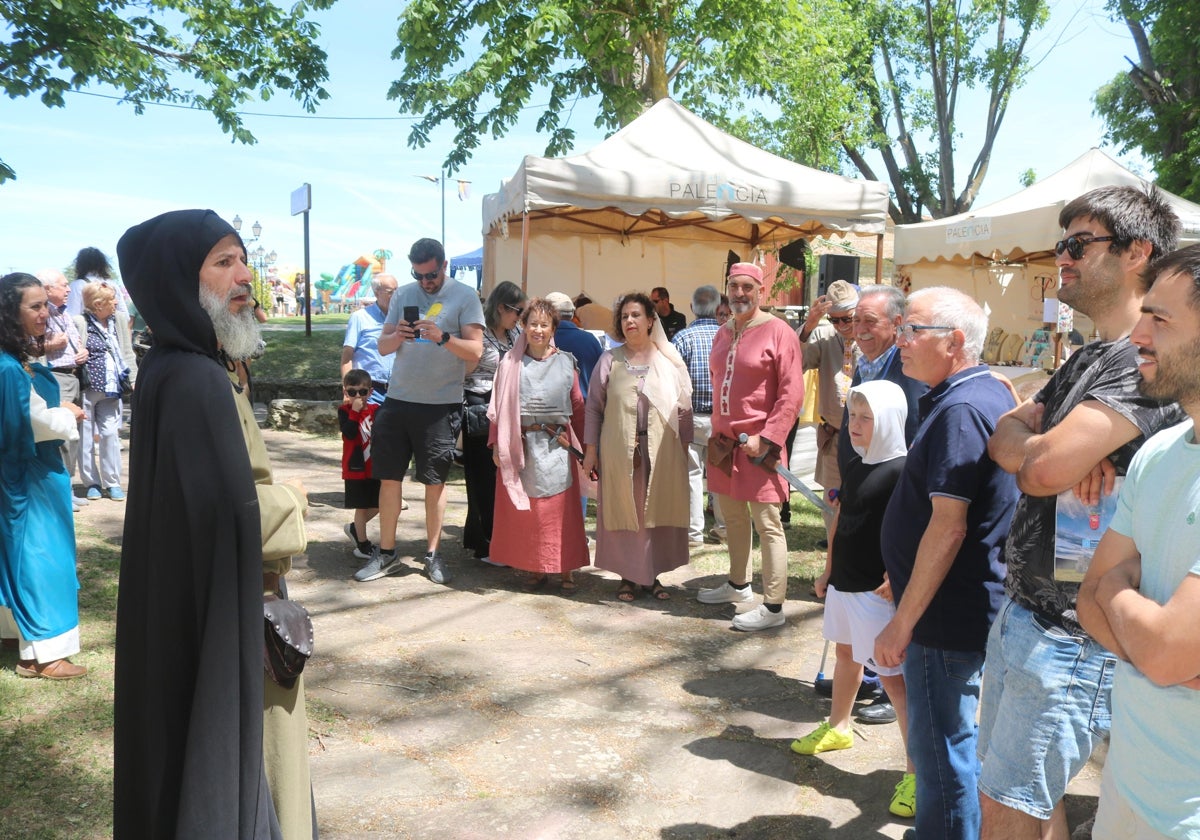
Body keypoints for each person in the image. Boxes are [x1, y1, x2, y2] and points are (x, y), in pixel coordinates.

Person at [979, 184, 1185, 840]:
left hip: (1073, 635)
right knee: (1020, 806)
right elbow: (1008, 432)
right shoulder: (1092, 356)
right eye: (1060, 242)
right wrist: (1034, 445)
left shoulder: (1138, 366)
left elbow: (1037, 462)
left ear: (1137, 253)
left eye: (1077, 243)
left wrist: (1037, 449)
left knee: (1008, 812)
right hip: (1035, 612)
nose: (1060, 256)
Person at [114, 209, 314, 839]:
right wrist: (295, 500)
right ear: (180, 280)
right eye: (222, 261)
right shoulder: (193, 380)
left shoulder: (186, 368)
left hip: (212, 613)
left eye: (243, 258)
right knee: (248, 778)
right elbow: (228, 521)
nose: (244, 275)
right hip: (229, 625)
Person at [873, 286, 1019, 840]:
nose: (900, 340)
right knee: (950, 744)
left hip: (944, 615)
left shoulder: (962, 407)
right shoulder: (975, 394)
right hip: (949, 602)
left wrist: (903, 621)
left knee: (940, 752)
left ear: (955, 342)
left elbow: (950, 523)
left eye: (912, 330)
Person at [1077, 243, 1200, 840]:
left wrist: (1120, 591)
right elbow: (1086, 599)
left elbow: (1162, 650)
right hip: (1126, 790)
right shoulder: (1159, 452)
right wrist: (1157, 650)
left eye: (1161, 319)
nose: (1137, 336)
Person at [793, 380, 915, 820]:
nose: (856, 426)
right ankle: (838, 725)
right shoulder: (856, 461)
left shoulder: (905, 470)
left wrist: (898, 577)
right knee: (846, 654)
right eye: (853, 416)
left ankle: (916, 771)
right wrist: (829, 567)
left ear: (889, 421)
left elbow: (916, 530)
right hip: (846, 581)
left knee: (895, 681)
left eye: (867, 418)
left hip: (876, 593)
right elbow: (841, 514)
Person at [354, 237, 484, 586]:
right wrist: (398, 334)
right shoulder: (403, 294)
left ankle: (432, 555)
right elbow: (382, 347)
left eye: (431, 275)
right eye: (419, 275)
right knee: (388, 479)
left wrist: (443, 338)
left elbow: (475, 351)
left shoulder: (465, 296)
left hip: (441, 405)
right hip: (398, 400)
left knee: (434, 483)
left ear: (443, 266)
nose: (425, 282)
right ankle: (386, 554)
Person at [697, 263, 803, 630]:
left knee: (768, 524)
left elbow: (792, 394)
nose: (739, 293)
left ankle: (773, 607)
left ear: (760, 291)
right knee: (733, 519)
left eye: (747, 287)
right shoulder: (722, 332)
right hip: (725, 446)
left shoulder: (779, 332)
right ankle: (738, 585)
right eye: (733, 286)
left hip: (760, 447)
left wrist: (769, 436)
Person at [0, 272, 87, 680]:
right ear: (9, 312)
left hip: (29, 472)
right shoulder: (8, 369)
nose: (45, 312)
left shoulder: (13, 360)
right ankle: (46, 655)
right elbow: (27, 422)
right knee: (42, 559)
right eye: (34, 306)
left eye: (44, 304)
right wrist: (66, 415)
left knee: (23, 557)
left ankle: (24, 645)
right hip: (28, 474)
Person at [582, 292, 692, 601]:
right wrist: (591, 451)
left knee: (654, 513)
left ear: (649, 320)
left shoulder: (669, 359)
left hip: (662, 451)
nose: (629, 321)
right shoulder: (610, 360)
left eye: (635, 315)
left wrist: (684, 448)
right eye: (624, 317)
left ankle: (652, 574)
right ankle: (627, 576)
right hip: (620, 452)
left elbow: (684, 407)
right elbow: (594, 408)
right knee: (624, 512)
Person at [488, 298, 590, 592]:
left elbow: (578, 405)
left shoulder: (566, 361)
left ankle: (566, 568)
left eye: (544, 324)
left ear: (553, 328)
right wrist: (496, 443)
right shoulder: (510, 363)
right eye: (533, 323)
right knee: (531, 513)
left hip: (557, 445)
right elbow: (498, 406)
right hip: (521, 444)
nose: (538, 329)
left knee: (561, 513)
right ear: (524, 325)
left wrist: (587, 449)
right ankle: (535, 567)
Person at [463, 281, 526, 565]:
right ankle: (485, 542)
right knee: (482, 479)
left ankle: (495, 537)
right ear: (501, 307)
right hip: (480, 407)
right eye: (518, 311)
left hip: (506, 409)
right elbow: (463, 369)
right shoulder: (480, 333)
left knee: (503, 478)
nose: (520, 317)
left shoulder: (514, 334)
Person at [796, 279, 861, 537]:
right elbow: (793, 361)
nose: (842, 326)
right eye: (835, 320)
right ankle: (834, 565)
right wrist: (810, 324)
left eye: (848, 319)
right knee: (832, 503)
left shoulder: (871, 338)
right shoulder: (824, 336)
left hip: (868, 439)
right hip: (833, 435)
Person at [671, 284, 725, 545]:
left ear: (691, 308)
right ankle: (724, 527)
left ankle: (694, 532)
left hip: (691, 415)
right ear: (718, 309)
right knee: (720, 472)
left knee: (692, 474)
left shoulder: (681, 338)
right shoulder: (729, 336)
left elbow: (671, 380)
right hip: (721, 418)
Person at [78, 281, 137, 501]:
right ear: (97, 303)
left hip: (112, 386)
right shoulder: (80, 322)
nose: (115, 302)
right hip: (88, 386)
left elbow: (126, 350)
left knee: (110, 433)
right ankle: (92, 482)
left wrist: (134, 377)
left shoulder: (119, 320)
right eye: (111, 298)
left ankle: (112, 482)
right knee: (85, 435)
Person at [37, 269, 89, 510]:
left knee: (74, 433)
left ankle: (67, 485)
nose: (69, 290)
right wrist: (51, 344)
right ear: (48, 289)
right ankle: (61, 491)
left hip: (73, 375)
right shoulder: (41, 314)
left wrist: (83, 352)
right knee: (61, 434)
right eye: (63, 285)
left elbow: (74, 342)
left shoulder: (65, 313)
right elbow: (29, 346)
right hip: (56, 376)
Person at [339, 368, 381, 559]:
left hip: (375, 468)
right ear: (345, 392)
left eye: (362, 392)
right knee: (361, 506)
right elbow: (348, 433)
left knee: (381, 504)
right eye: (352, 392)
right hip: (355, 469)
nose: (358, 396)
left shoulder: (376, 411)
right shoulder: (344, 411)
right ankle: (362, 544)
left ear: (370, 392)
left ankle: (356, 528)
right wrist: (354, 412)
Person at [340, 274, 398, 405]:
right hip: (369, 392)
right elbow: (347, 358)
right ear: (377, 293)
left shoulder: (403, 319)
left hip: (399, 392)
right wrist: (348, 391)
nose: (395, 295)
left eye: (397, 290)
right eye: (390, 292)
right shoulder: (360, 318)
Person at [544, 292, 603, 398]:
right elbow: (602, 378)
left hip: (548, 410)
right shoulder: (590, 339)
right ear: (572, 315)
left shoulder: (541, 340)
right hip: (585, 409)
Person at [67, 247, 132, 326]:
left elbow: (72, 316)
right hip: (112, 333)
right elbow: (125, 316)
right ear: (103, 264)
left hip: (88, 333)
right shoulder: (112, 285)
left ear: (80, 265)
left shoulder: (77, 285)